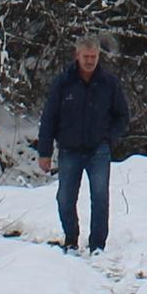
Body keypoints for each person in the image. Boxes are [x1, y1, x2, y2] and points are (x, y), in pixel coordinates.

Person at [33, 38, 130, 253]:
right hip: (69, 150)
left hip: (98, 150)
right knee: (65, 198)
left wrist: (109, 138)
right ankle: (71, 238)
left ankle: (97, 245)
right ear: (77, 55)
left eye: (93, 57)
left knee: (100, 197)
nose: (89, 61)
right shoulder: (63, 83)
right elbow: (49, 118)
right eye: (86, 57)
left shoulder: (109, 83)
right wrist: (45, 152)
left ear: (98, 57)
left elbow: (122, 116)